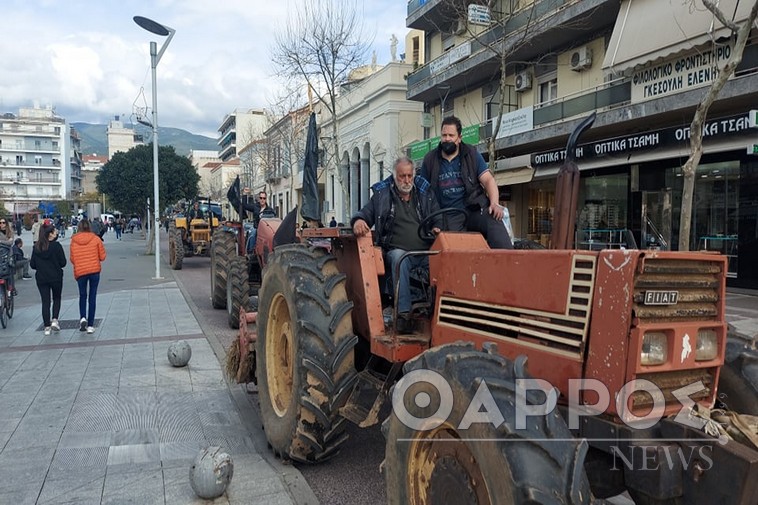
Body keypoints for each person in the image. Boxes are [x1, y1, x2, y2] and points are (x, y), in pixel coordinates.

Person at [351, 157, 441, 334]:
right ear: (394, 176)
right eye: (402, 176)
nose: (406, 181)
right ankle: (403, 315)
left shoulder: (424, 192)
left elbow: (438, 215)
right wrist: (358, 220)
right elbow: (365, 213)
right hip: (394, 251)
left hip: (424, 252)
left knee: (444, 258)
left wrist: (438, 226)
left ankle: (438, 312)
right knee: (400, 258)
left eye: (409, 176)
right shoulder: (382, 194)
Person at [421, 115, 513, 249]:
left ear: (459, 138)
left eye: (451, 135)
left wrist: (494, 203)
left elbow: (488, 180)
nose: (447, 139)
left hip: (473, 208)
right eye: (444, 135)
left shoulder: (471, 154)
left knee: (494, 218)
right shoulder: (430, 160)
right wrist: (433, 221)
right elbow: (423, 192)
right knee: (454, 246)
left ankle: (507, 261)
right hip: (447, 214)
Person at [70, 219, 106, 334]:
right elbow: (102, 257)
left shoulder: (74, 241)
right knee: (92, 297)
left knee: (82, 295)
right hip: (94, 270)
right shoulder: (96, 239)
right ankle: (90, 325)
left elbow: (72, 258)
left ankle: (82, 317)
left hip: (80, 272)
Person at [30, 224, 67, 336]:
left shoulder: (36, 247)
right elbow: (63, 263)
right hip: (55, 276)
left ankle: (46, 326)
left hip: (42, 278)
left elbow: (32, 265)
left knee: (45, 301)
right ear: (50, 234)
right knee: (56, 298)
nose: (56, 233)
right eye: (54, 231)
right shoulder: (57, 246)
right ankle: (55, 320)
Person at [0, 218, 16, 296]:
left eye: (3, 222)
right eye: (0, 223)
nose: (2, 224)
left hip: (8, 255)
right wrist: (6, 242)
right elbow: (8, 242)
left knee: (10, 272)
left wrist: (1, 241)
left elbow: (11, 242)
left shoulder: (10, 232)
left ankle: (11, 289)